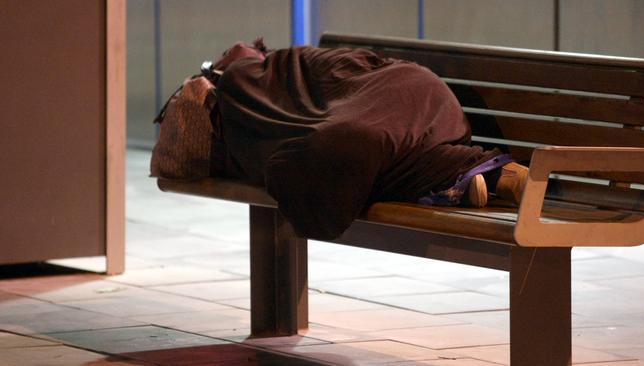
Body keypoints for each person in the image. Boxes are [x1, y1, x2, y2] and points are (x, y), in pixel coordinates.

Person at [156, 39, 528, 240]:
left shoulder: (246, 80)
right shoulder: (291, 62)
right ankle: (492, 175)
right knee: (366, 147)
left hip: (379, 113)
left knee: (326, 154)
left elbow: (266, 148)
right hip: (429, 96)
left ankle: (460, 176)